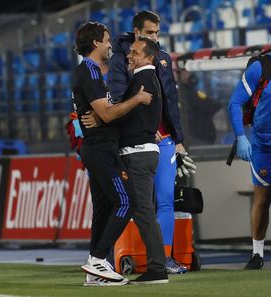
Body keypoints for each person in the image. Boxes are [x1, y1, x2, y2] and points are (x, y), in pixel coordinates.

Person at [108, 10, 196, 274]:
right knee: (137, 203)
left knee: (167, 200)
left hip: (166, 140)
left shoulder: (164, 59)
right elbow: (120, 99)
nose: (155, 38)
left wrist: (179, 140)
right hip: (137, 140)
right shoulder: (120, 60)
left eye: (157, 33)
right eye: (149, 33)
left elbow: (170, 102)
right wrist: (145, 126)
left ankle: (165, 258)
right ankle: (122, 254)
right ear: (137, 32)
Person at [72, 22, 153, 286]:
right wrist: (136, 101)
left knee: (104, 209)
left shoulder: (88, 72)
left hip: (96, 146)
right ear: (96, 43)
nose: (110, 45)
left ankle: (94, 272)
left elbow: (103, 112)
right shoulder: (91, 72)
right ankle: (98, 259)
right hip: (101, 148)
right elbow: (106, 113)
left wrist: (105, 112)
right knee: (126, 201)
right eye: (107, 40)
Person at [228, 20, 271, 269]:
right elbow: (235, 103)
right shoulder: (261, 67)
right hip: (264, 147)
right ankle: (257, 253)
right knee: (262, 200)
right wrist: (241, 137)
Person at [118, 36, 168, 284]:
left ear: (149, 58)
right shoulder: (149, 79)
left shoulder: (142, 79)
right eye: (130, 51)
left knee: (144, 213)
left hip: (137, 154)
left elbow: (125, 115)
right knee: (142, 212)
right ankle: (157, 266)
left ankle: (158, 269)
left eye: (135, 53)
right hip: (144, 152)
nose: (130, 55)